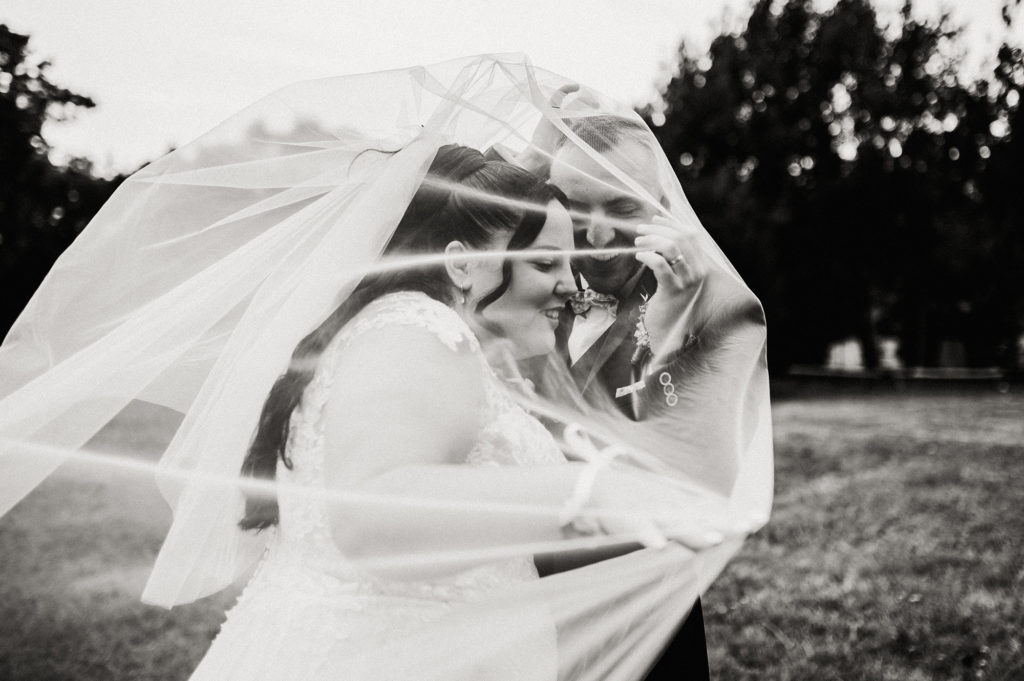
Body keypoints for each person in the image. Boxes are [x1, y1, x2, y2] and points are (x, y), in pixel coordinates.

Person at [0, 55, 771, 681]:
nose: (577, 264)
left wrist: (669, 333)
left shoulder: (697, 312)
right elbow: (374, 507)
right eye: (554, 244)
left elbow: (697, 472)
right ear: (466, 260)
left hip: (591, 617)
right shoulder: (418, 331)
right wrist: (585, 490)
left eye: (618, 213)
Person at [540, 113, 768, 680]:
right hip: (530, 602)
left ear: (662, 206)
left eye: (620, 208)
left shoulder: (724, 308)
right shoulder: (534, 285)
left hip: (642, 611)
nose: (595, 238)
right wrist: (534, 150)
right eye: (575, 207)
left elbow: (701, 489)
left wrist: (667, 332)